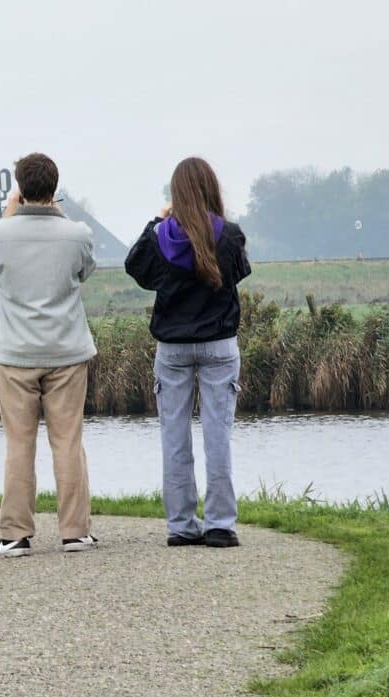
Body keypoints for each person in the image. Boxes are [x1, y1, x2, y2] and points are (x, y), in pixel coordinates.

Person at [0, 152, 98, 557]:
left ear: (20, 188)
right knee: (67, 441)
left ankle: (15, 534)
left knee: (19, 444)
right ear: (55, 188)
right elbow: (85, 270)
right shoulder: (77, 233)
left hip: (13, 354)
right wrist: (57, 217)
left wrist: (10, 215)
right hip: (66, 350)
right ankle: (75, 531)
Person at [124, 157, 251, 548]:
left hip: (173, 348)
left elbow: (135, 267)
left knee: (174, 436)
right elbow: (239, 272)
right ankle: (219, 524)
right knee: (218, 434)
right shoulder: (228, 235)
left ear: (175, 195)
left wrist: (156, 221)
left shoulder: (162, 238)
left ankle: (181, 524)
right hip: (218, 344)